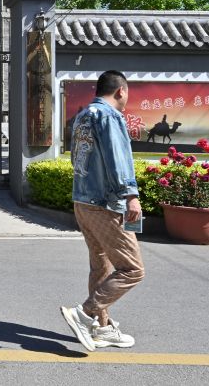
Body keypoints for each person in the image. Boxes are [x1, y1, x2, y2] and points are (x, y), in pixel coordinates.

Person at [61, 70, 144, 352]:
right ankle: (84, 314)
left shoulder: (84, 115)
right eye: (127, 94)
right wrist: (130, 195)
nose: (126, 99)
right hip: (104, 203)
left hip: (82, 200)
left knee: (101, 265)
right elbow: (117, 158)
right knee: (132, 269)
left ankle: (102, 327)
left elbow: (76, 157)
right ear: (120, 91)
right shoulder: (109, 116)